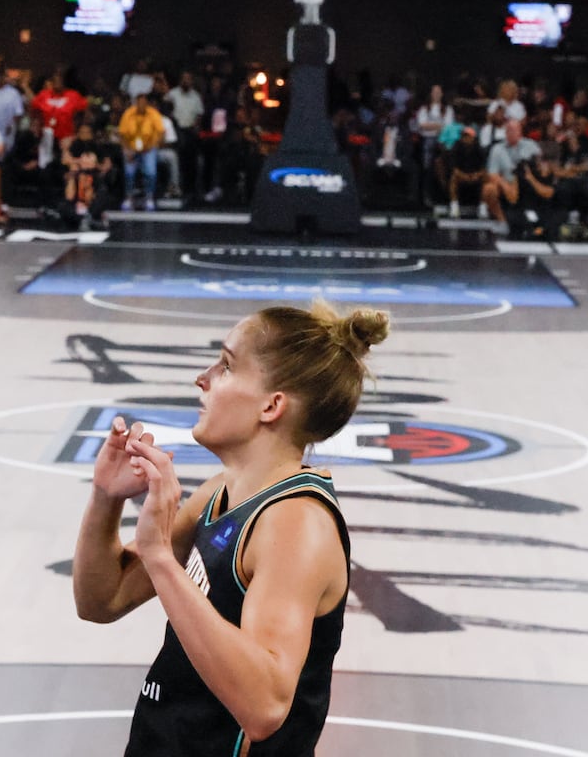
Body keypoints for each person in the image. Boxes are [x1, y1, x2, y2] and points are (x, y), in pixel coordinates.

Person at [73, 301, 388, 756]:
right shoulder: (220, 492)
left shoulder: (295, 525)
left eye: (225, 366)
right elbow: (102, 600)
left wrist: (161, 558)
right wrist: (106, 498)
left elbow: (264, 707)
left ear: (271, 405)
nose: (202, 377)